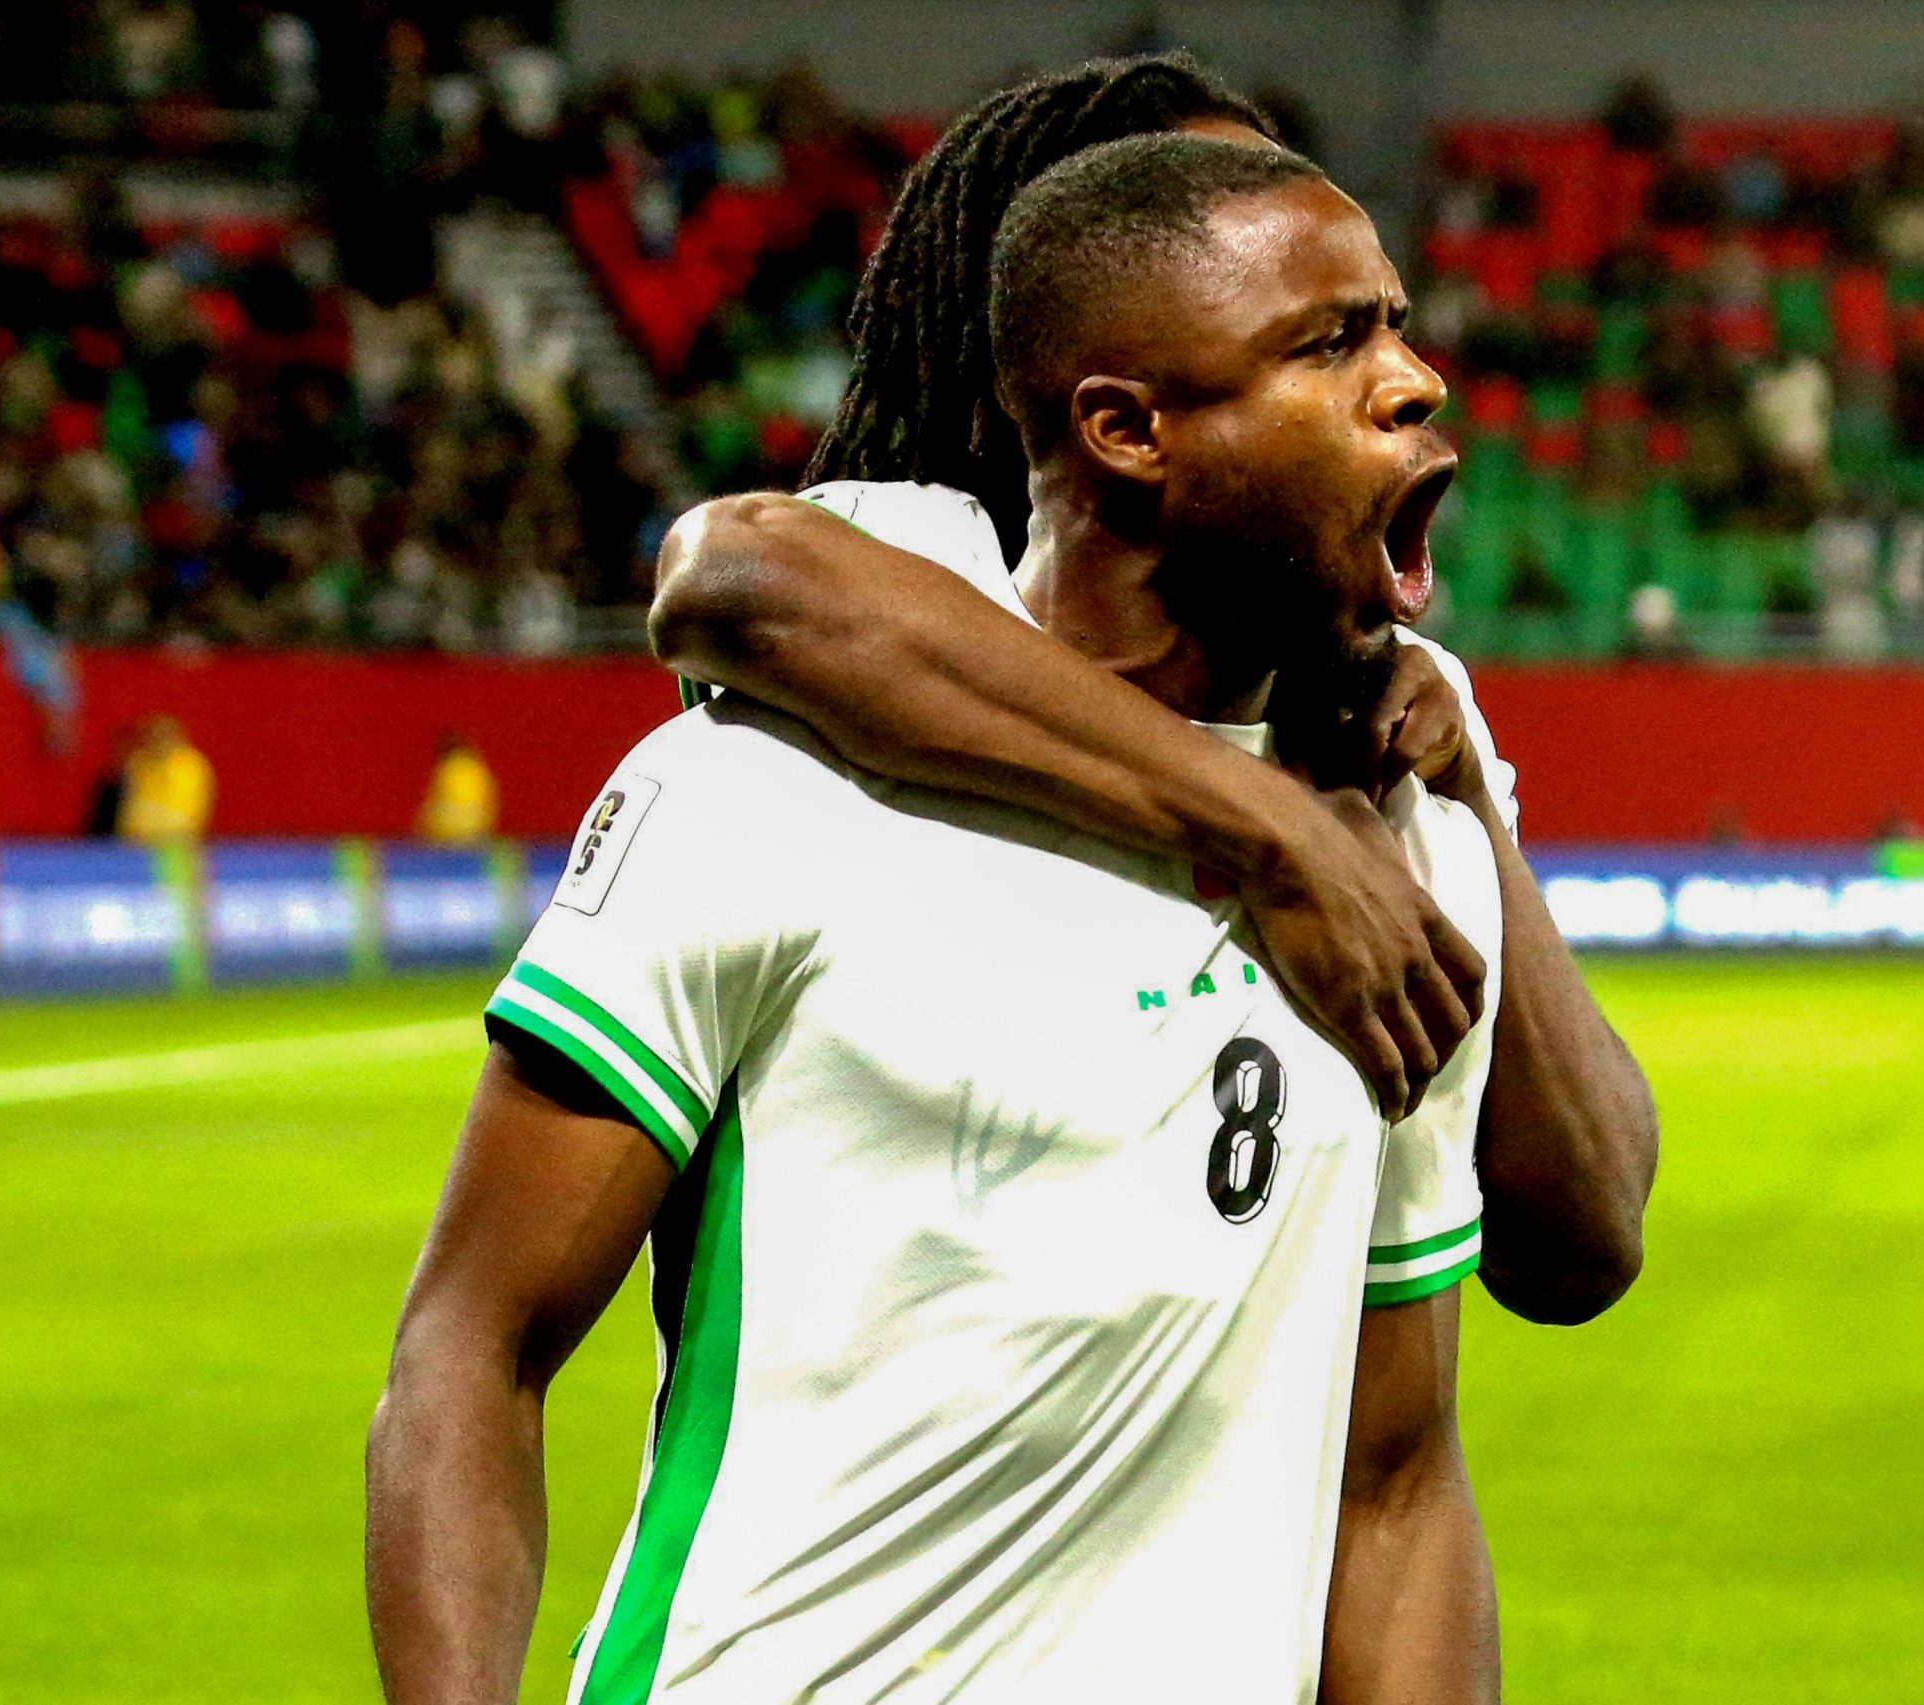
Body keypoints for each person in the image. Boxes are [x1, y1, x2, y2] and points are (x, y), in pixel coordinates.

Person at [369, 137, 1507, 1702]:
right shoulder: (766, 792)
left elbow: (1396, 1481)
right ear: (1125, 430)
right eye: (1331, 342)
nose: (1414, 379)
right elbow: (472, 1348)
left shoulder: (1402, 863)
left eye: (1394, 323)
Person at [648, 56, 1657, 1334]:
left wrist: (1460, 807)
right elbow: (731, 572)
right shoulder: (906, 558)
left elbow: (1580, 1240)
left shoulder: (1363, 677)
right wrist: (1274, 827)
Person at [118, 715, 213, 844]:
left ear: (176, 738)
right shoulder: (137, 763)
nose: (158, 743)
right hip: (134, 842)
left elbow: (187, 812)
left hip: (176, 840)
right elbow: (129, 806)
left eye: (163, 737)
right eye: (152, 738)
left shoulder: (190, 765)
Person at [415, 731, 498, 843]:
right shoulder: (477, 767)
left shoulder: (447, 768)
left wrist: (421, 824)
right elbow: (490, 799)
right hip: (477, 823)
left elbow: (436, 800)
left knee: (424, 825)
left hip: (452, 825)